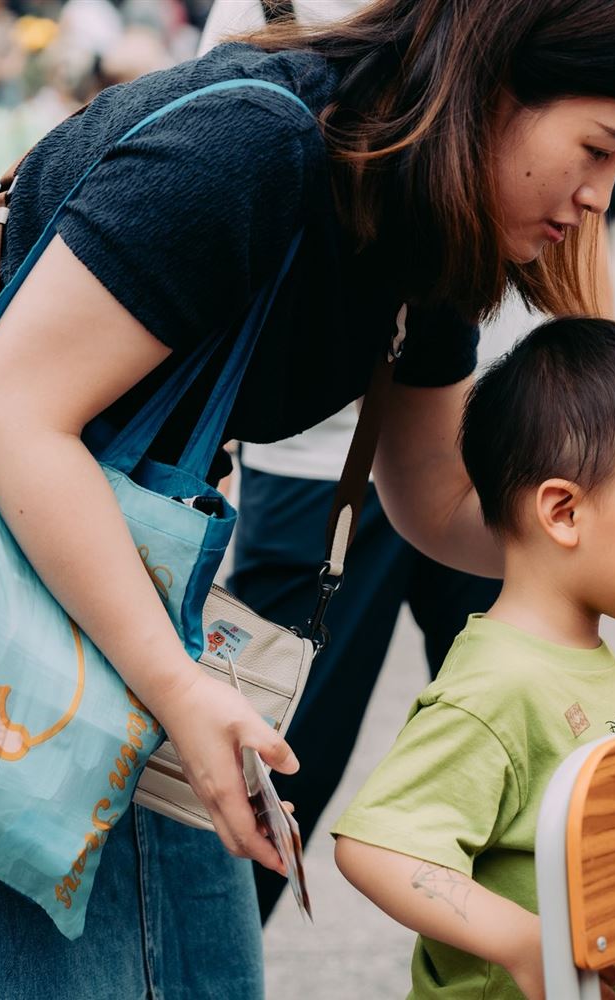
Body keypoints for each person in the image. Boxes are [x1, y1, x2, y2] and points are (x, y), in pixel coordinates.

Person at [0, 3, 615, 997]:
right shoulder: (252, 144)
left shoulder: (436, 220)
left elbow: (440, 500)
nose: (600, 198)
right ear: (495, 83)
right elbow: (13, 414)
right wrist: (179, 686)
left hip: (112, 612)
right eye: (598, 148)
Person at [195, 0, 504, 922]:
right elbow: (221, 203)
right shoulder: (269, 15)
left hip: (493, 438)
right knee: (269, 774)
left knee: (521, 763)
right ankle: (210, 961)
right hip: (316, 461)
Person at [334, 316, 615, 1000]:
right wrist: (522, 943)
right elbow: (378, 846)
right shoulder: (498, 685)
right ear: (563, 512)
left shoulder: (581, 659)